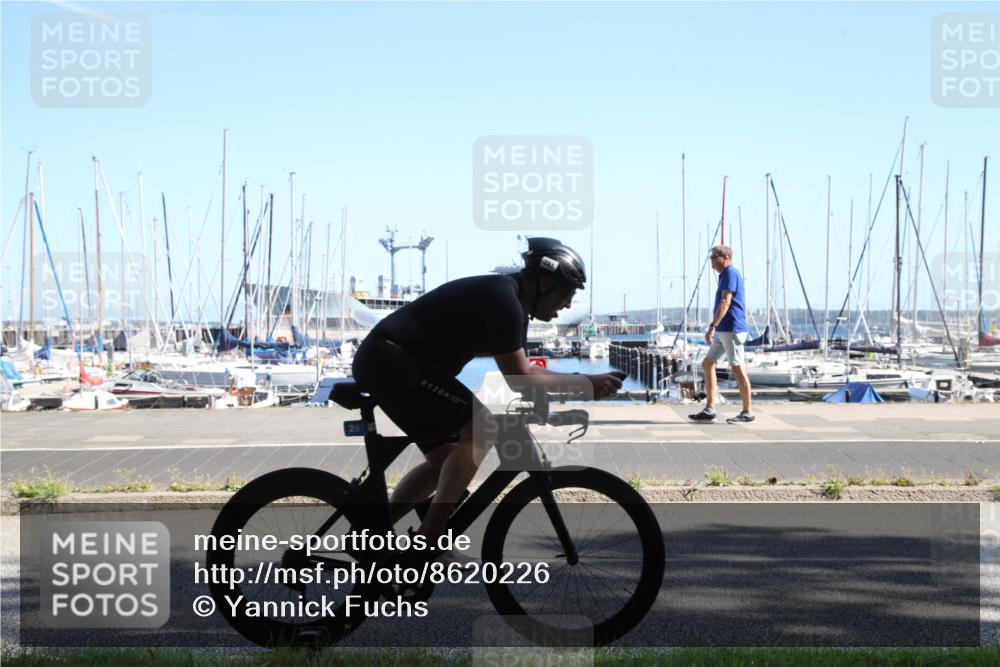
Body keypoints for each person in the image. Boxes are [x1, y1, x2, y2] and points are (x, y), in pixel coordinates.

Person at [352, 237, 625, 548]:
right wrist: (586, 384)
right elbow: (521, 378)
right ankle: (431, 540)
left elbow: (525, 373)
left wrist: (567, 392)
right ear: (544, 283)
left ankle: (370, 537)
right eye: (565, 294)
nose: (567, 304)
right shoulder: (503, 301)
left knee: (444, 461)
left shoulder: (514, 305)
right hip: (392, 361)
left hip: (393, 364)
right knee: (483, 429)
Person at [689, 244, 754, 424]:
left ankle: (748, 412)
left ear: (724, 258)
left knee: (737, 368)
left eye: (713, 257)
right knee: (707, 363)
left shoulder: (731, 273)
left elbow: (726, 302)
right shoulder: (725, 275)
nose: (711, 261)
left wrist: (712, 326)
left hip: (731, 329)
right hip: (723, 330)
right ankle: (710, 409)